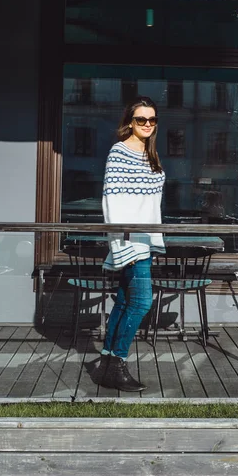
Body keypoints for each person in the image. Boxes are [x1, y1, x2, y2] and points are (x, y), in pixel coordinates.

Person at [93, 96, 165, 392]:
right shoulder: (119, 152)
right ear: (130, 122)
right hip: (130, 241)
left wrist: (152, 239)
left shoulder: (151, 154)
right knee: (141, 302)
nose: (147, 124)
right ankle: (118, 363)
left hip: (144, 239)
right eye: (141, 120)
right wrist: (121, 244)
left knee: (124, 302)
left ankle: (108, 363)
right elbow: (112, 200)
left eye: (152, 120)